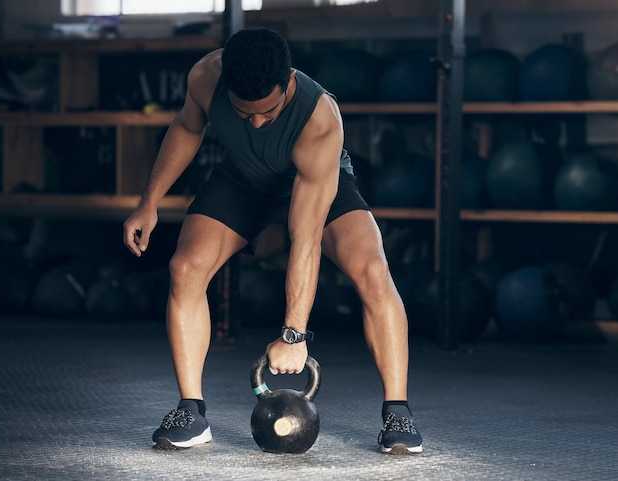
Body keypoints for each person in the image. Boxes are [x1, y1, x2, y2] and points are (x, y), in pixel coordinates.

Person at [123, 27, 422, 454]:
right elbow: (187, 129)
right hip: (242, 181)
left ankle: (398, 412)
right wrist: (148, 202)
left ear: (289, 82)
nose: (258, 122)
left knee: (372, 271)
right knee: (184, 268)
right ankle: (191, 409)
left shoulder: (320, 120)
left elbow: (304, 239)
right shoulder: (206, 76)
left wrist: (294, 335)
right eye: (246, 116)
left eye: (269, 112)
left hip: (315, 184)